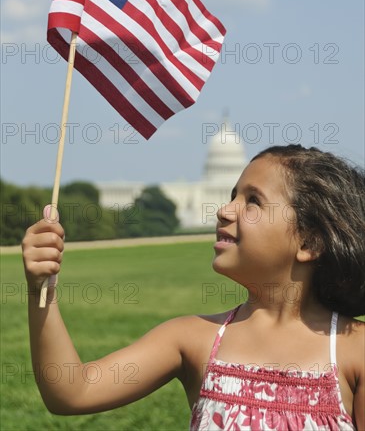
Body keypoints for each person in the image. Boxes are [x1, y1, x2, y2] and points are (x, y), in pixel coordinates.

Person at [22, 144, 365, 430]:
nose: (224, 210)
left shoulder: (355, 350)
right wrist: (43, 291)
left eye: (253, 201)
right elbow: (72, 391)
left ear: (310, 241)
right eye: (233, 195)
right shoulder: (192, 338)